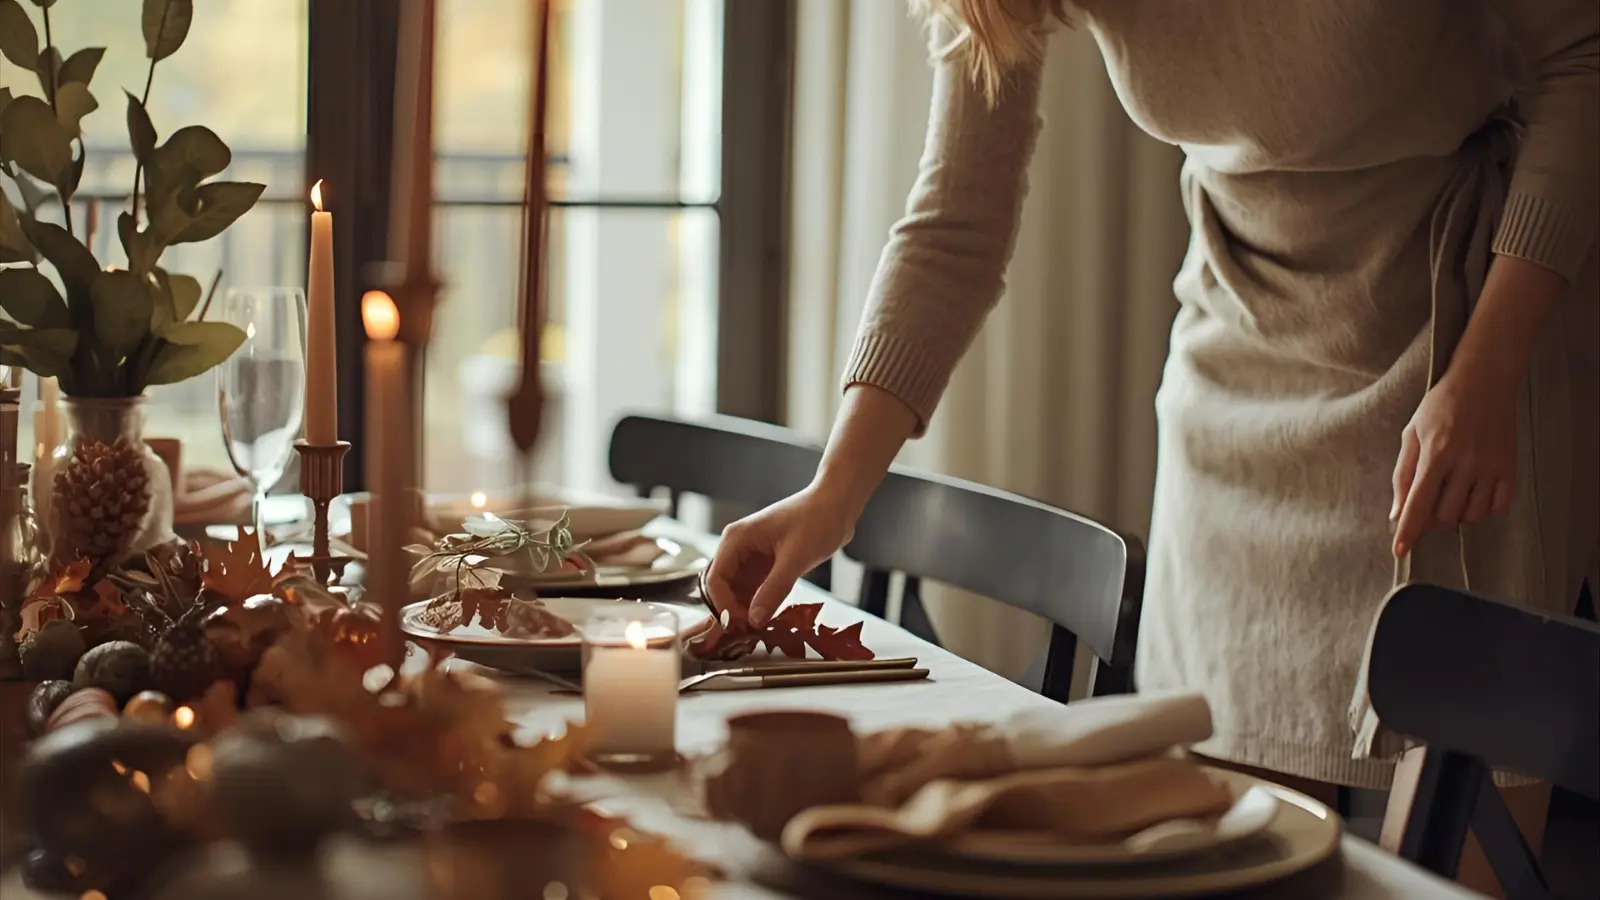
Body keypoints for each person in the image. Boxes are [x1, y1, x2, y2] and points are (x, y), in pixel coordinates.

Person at [705, 0, 1597, 894]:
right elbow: (952, 226)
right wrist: (834, 493)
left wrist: (1486, 372)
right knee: (1229, 869)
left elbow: (1582, 59)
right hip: (1238, 363)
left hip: (1467, 346)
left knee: (1458, 864)